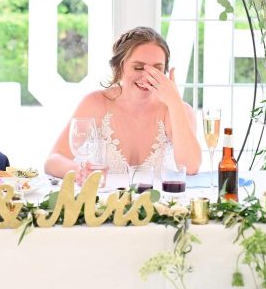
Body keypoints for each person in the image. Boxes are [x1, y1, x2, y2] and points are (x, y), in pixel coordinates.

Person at [45, 26, 201, 179]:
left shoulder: (177, 110)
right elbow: (53, 160)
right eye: (138, 68)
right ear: (119, 68)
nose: (147, 77)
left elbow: (191, 167)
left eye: (157, 69)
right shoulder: (96, 103)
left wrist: (174, 102)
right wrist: (78, 171)